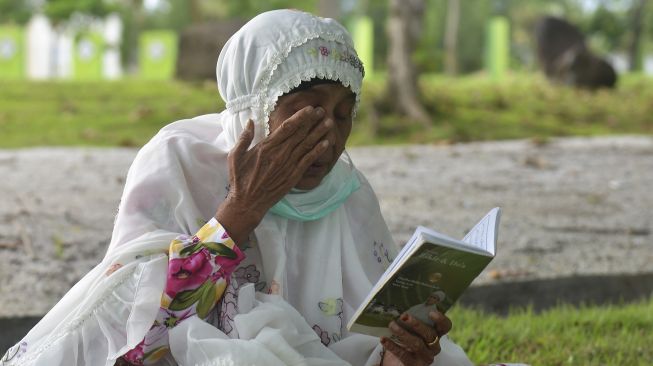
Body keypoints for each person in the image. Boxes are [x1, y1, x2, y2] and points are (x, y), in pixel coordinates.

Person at [1, 10, 473, 366]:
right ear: (255, 107)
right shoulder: (179, 161)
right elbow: (138, 339)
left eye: (343, 115)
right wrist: (243, 208)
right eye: (306, 112)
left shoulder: (347, 191)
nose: (328, 134)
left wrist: (399, 351)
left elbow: (359, 338)